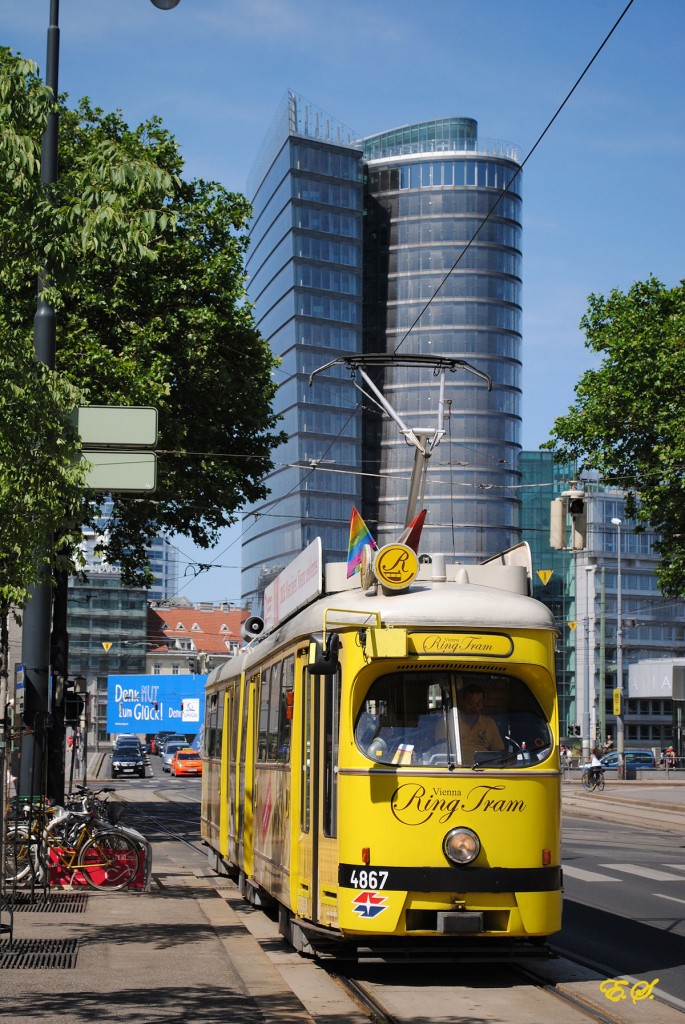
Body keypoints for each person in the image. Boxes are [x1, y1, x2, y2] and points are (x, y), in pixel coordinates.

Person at [456, 683, 504, 765]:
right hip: (454, 770)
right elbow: (440, 752)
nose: (474, 709)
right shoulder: (448, 721)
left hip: (482, 771)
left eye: (478, 704)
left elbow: (499, 752)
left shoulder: (489, 723)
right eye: (470, 704)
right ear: (462, 702)